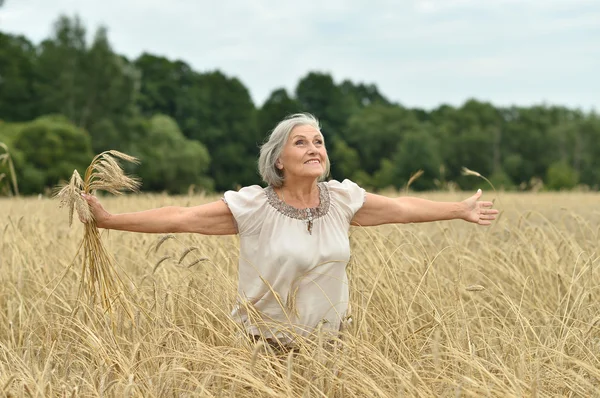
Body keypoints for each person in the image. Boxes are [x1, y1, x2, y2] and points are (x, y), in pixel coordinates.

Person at [81, 113, 498, 351]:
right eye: (301, 143)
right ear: (278, 160)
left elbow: (404, 208)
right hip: (268, 348)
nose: (314, 148)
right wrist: (110, 220)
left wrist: (459, 209)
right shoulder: (254, 207)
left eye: (319, 141)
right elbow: (179, 217)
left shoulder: (342, 200)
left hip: (331, 346)